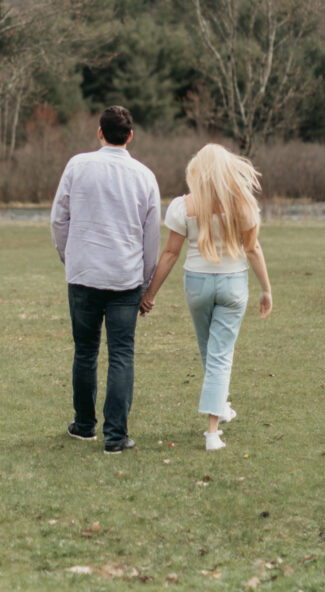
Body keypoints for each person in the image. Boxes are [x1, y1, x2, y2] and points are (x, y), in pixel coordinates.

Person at [140, 143, 272, 451]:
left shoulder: (183, 206)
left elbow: (171, 253)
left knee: (210, 351)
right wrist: (266, 288)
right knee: (218, 354)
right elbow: (253, 249)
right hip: (233, 284)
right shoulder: (243, 205)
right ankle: (213, 433)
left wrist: (150, 293)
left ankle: (221, 408)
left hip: (197, 284)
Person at [51, 106, 161, 454]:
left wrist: (69, 257)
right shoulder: (145, 176)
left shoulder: (77, 166)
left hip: (84, 273)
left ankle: (84, 425)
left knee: (85, 352)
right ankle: (115, 435)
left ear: (100, 133)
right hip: (124, 278)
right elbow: (151, 237)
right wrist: (145, 282)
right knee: (121, 355)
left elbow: (59, 219)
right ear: (130, 136)